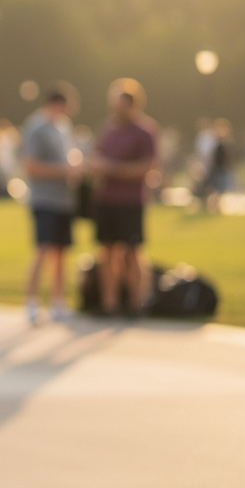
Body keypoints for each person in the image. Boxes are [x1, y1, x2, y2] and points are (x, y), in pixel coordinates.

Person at [88, 78, 158, 318]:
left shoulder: (144, 131)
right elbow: (98, 156)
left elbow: (147, 166)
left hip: (130, 200)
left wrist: (112, 169)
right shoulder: (109, 128)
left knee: (132, 252)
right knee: (106, 251)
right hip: (106, 199)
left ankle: (135, 303)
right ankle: (109, 303)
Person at [20, 84, 81, 324]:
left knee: (60, 252)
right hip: (44, 197)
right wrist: (63, 170)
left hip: (64, 198)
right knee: (43, 248)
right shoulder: (37, 127)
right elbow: (31, 165)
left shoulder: (63, 127)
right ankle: (32, 302)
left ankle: (58, 302)